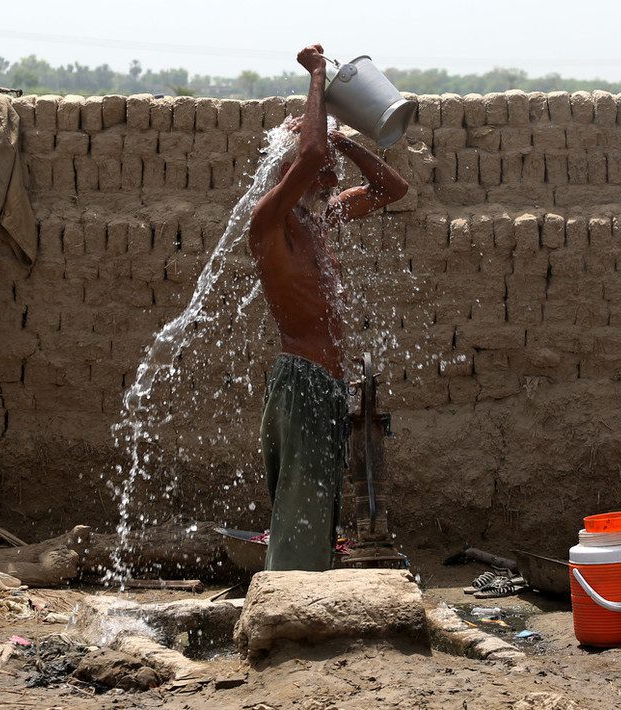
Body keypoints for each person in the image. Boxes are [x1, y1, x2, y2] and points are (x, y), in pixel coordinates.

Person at [249, 43, 409, 571]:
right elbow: (312, 155)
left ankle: (300, 613)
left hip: (325, 388)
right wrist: (318, 76)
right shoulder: (272, 221)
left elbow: (392, 188)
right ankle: (282, 619)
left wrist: (347, 140)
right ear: (293, 168)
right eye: (326, 165)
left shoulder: (321, 218)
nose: (335, 174)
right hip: (301, 384)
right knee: (300, 518)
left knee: (317, 515)